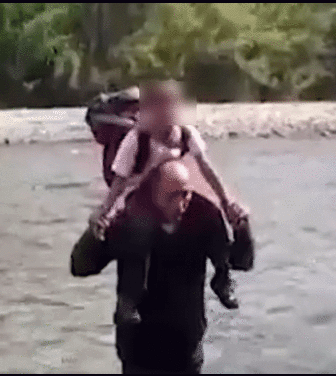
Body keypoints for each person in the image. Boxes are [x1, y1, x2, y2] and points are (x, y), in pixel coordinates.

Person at [88, 80, 247, 325]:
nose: (168, 113)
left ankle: (223, 279)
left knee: (212, 217)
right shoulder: (135, 139)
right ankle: (128, 301)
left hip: (174, 191)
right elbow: (120, 182)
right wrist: (105, 210)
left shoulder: (186, 134)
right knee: (137, 235)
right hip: (142, 194)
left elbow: (207, 169)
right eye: (161, 107)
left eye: (173, 106)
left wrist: (225, 201)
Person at [71, 159, 252, 374]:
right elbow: (81, 267)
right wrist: (92, 234)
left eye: (185, 193)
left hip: (185, 347)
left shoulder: (203, 217)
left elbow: (240, 262)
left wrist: (242, 229)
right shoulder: (130, 220)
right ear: (153, 194)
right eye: (172, 196)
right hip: (139, 348)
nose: (183, 202)